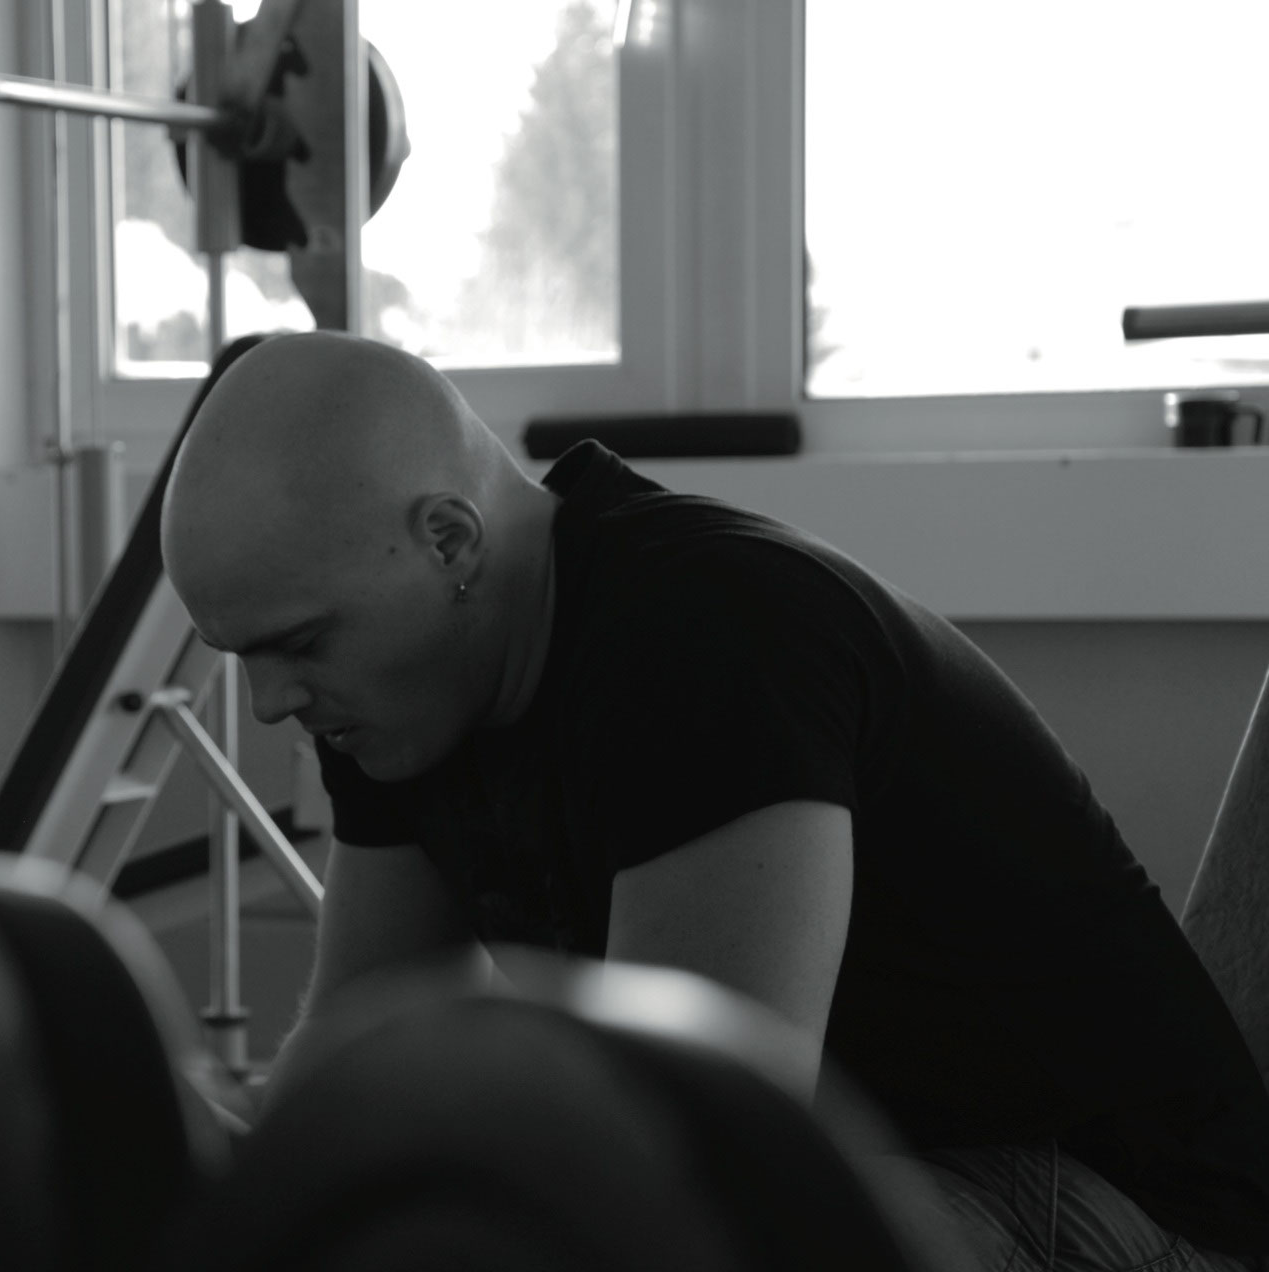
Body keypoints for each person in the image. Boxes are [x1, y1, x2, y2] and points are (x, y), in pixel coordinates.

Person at [159, 330, 1269, 1269]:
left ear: (449, 541)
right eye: (244, 655)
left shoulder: (702, 640)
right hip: (868, 1169)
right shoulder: (400, 685)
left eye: (298, 645)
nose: (268, 702)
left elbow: (697, 1154)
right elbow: (352, 1053)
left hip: (1117, 1212)